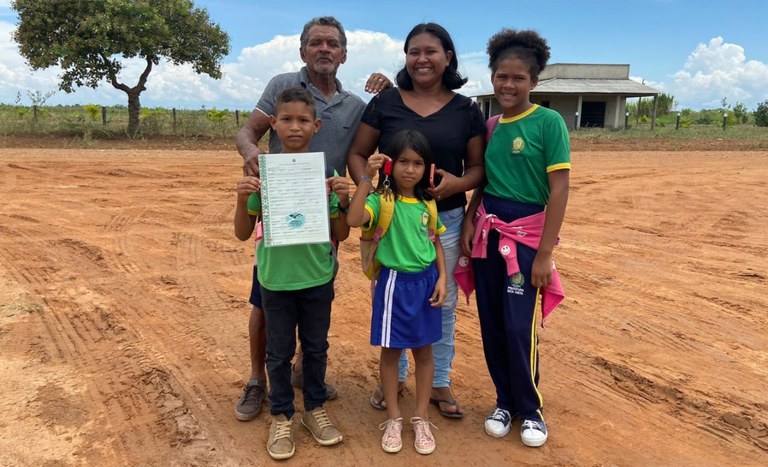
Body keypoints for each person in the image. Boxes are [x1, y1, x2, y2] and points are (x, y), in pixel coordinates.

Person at [234, 15, 390, 421]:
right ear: (302, 50)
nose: (324, 49)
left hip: (325, 215)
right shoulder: (282, 86)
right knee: (266, 299)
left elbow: (364, 149)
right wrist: (252, 156)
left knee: (315, 296)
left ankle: (305, 371)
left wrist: (392, 91)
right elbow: (247, 133)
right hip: (279, 211)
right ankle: (257, 381)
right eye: (316, 43)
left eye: (332, 44)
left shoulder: (354, 106)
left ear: (344, 54)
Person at [347, 22, 485, 418]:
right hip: (392, 222)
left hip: (446, 220)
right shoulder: (385, 102)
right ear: (406, 57)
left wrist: (458, 183)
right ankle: (397, 378)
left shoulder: (466, 110)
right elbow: (358, 154)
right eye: (414, 52)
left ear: (448, 57)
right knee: (395, 299)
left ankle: (438, 380)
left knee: (441, 301)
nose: (422, 59)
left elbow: (478, 168)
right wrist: (373, 193)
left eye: (431, 51)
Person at [460, 28, 570, 448]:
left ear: (534, 81)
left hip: (525, 242)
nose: (508, 85)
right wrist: (469, 219)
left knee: (519, 326)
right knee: (491, 322)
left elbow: (559, 190)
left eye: (518, 78)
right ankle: (503, 401)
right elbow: (485, 181)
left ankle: (530, 408)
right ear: (492, 77)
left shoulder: (549, 123)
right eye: (501, 76)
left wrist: (543, 255)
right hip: (488, 235)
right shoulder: (490, 126)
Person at [234, 87, 351, 460]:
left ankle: (314, 408)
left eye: (303, 120)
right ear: (273, 123)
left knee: (316, 348)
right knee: (279, 352)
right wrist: (241, 198)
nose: (295, 127)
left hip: (317, 276)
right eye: (286, 119)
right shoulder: (264, 174)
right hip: (276, 279)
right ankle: (282, 414)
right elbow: (242, 232)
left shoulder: (327, 175)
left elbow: (341, 232)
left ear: (317, 126)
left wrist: (343, 201)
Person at [346, 129, 447, 455]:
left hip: (426, 283)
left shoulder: (428, 203)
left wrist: (443, 278)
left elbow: (435, 241)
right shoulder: (381, 201)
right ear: (390, 164)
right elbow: (353, 219)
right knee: (391, 352)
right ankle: (393, 417)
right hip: (393, 285)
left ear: (427, 167)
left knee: (424, 352)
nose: (410, 169)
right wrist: (366, 178)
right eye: (403, 161)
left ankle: (420, 417)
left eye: (418, 163)